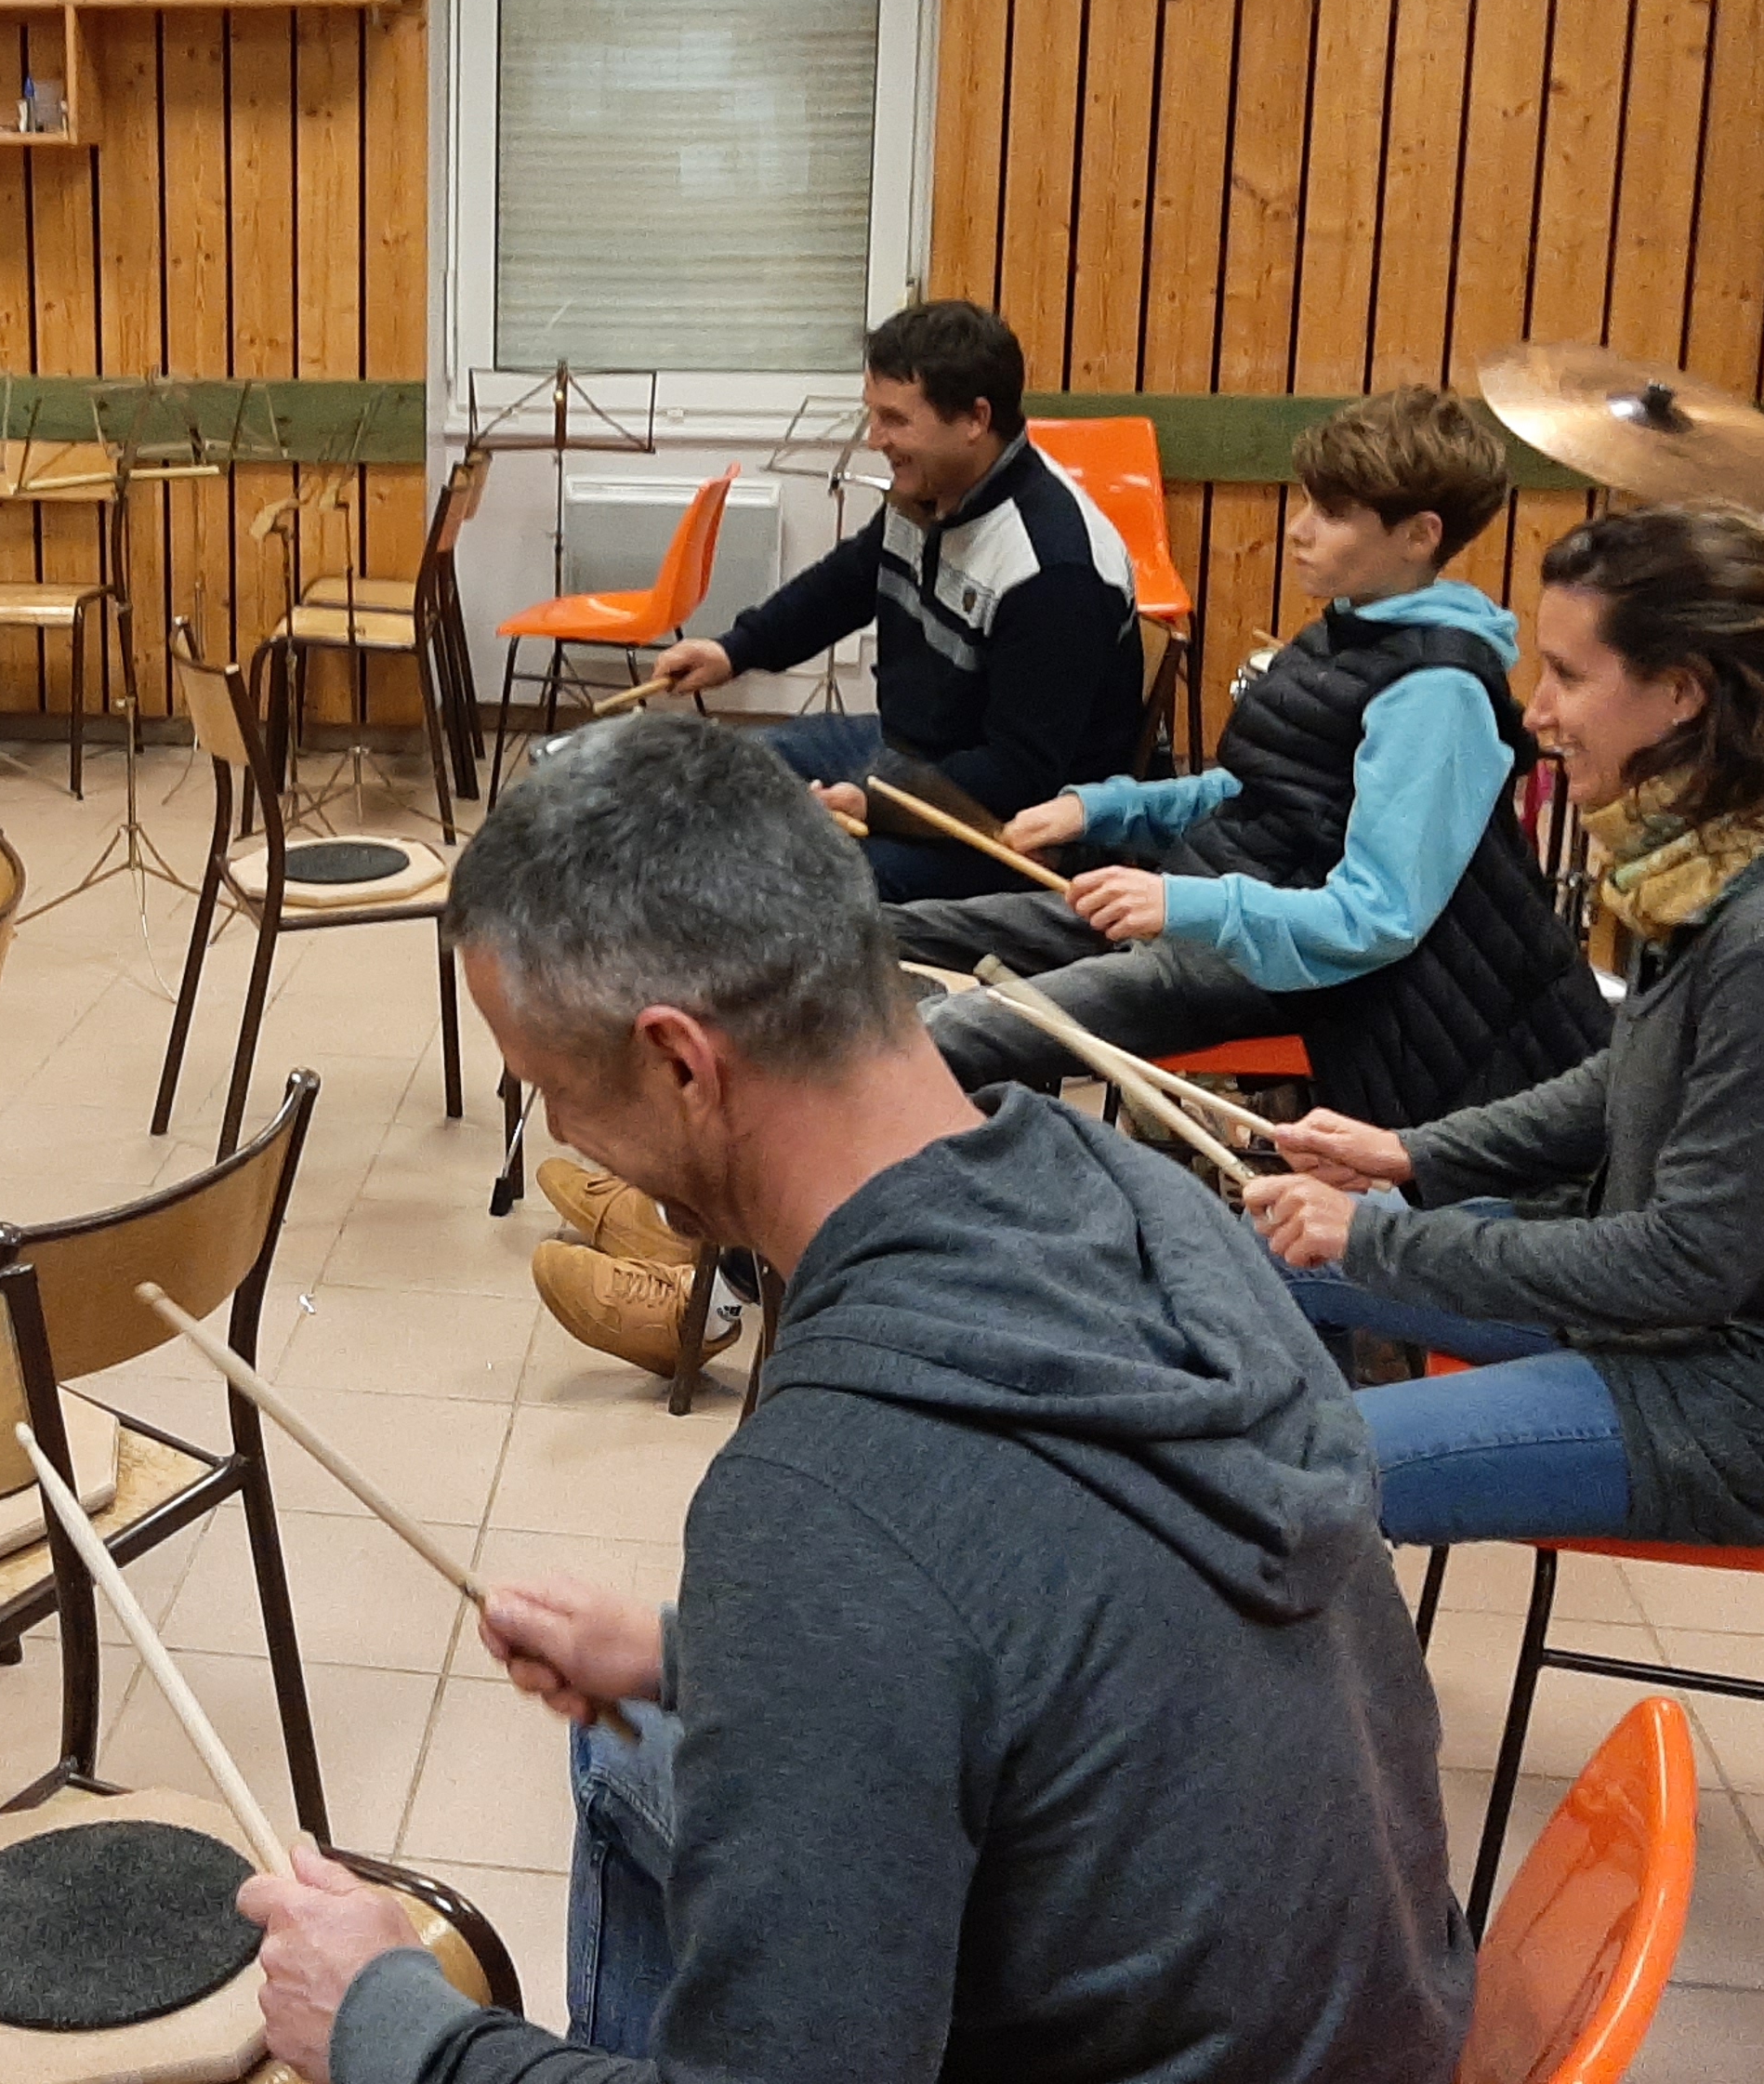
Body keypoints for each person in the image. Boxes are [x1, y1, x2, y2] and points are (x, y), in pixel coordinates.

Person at [240, 718, 1471, 2084]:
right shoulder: (1144, 1203)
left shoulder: (822, 1500)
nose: (565, 1137)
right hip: (1368, 2030)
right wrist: (702, 1655)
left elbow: (910, 1559)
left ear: (682, 1062)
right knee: (633, 1752)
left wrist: (390, 2024)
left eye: (552, 1092)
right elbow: (1032, 1624)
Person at [1242, 504, 1764, 1549]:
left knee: (1283, 1477)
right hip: (1686, 1326)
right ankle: (1306, 1582)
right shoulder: (1719, 857)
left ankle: (1295, 1566)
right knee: (1259, 1259)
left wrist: (1378, 1234)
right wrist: (1408, 1153)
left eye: (1568, 676)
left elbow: (1681, 1264)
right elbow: (1626, 1079)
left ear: (1682, 692)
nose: (1537, 712)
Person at [895, 385, 1606, 1128]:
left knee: (947, 1034)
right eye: (1307, 502)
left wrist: (1182, 905)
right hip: (1214, 904)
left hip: (1281, 965)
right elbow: (1255, 793)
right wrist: (1100, 809)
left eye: (1332, 514)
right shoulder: (1348, 630)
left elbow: (1377, 918)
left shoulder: (1437, 693)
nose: (1298, 530)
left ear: (1420, 535)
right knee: (884, 929)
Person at [648, 302, 1139, 904]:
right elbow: (848, 582)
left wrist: (872, 805)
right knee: (714, 778)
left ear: (975, 419)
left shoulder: (1054, 569)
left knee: (781, 880)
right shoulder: (933, 491)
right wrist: (734, 650)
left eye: (895, 420)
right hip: (907, 752)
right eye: (873, 415)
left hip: (1006, 826)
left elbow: (1018, 773)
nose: (875, 439)